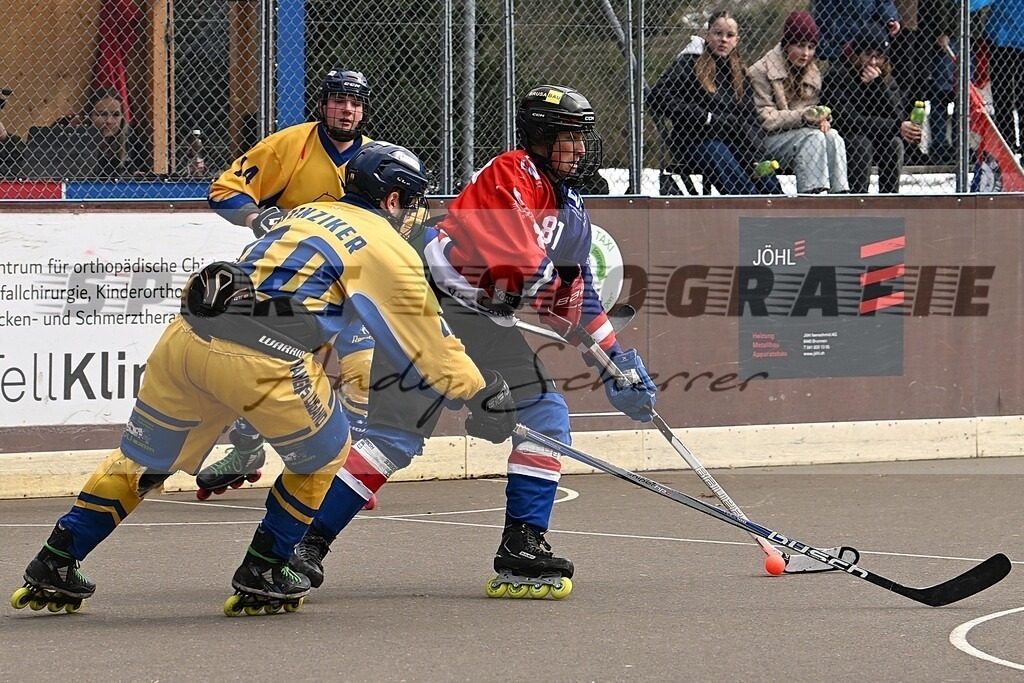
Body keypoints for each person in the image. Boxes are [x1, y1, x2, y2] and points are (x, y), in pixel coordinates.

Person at [10, 141, 516, 615]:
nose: (412, 213)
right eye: (410, 202)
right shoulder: (388, 244)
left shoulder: (304, 214)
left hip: (186, 339)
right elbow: (429, 342)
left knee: (142, 460)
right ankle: (266, 569)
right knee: (325, 458)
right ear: (391, 198)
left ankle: (54, 561)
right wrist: (480, 394)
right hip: (265, 357)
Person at [286, 85, 657, 598]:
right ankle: (304, 546)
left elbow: (575, 294)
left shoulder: (571, 209)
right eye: (568, 137)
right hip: (427, 301)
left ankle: (522, 544)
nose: (579, 149)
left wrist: (615, 362)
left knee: (545, 413)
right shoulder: (508, 173)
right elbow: (527, 262)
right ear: (540, 137)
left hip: (482, 319)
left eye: (580, 138)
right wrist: (558, 299)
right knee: (396, 437)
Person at [199, 69, 378, 495]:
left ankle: (342, 467)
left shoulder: (377, 159)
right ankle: (246, 450)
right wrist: (257, 215)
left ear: (364, 110)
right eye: (338, 100)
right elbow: (224, 189)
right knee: (268, 374)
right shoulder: (290, 145)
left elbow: (403, 216)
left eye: (354, 103)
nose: (346, 109)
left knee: (364, 371)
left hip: (353, 288)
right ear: (322, 104)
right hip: (295, 287)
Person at [647, 10, 783, 195]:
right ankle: (750, 206)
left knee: (765, 174)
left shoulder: (740, 74)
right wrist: (706, 117)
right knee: (718, 153)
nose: (723, 40)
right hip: (696, 141)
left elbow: (750, 120)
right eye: (718, 33)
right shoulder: (689, 63)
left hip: (733, 142)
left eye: (730, 35)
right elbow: (657, 96)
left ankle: (780, 210)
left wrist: (754, 156)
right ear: (707, 35)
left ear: (736, 40)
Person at [748, 12, 851, 194]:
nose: (806, 53)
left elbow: (810, 113)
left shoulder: (813, 73)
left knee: (833, 136)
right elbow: (766, 119)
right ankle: (811, 197)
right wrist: (805, 117)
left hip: (802, 136)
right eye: (800, 45)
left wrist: (820, 119)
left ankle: (840, 196)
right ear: (787, 45)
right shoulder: (760, 70)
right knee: (813, 138)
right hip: (767, 141)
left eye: (811, 47)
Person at [822, 25, 922, 192]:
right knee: (861, 144)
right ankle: (858, 198)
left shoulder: (885, 79)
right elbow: (848, 120)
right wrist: (895, 126)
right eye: (868, 55)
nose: (874, 62)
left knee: (895, 144)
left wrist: (877, 86)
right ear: (856, 55)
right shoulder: (839, 74)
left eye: (879, 57)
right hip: (847, 134)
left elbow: (897, 115)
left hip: (877, 133)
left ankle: (888, 199)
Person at [968, 0, 1024, 153]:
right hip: (1001, 40)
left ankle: (1008, 144)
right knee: (1003, 97)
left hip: (1004, 38)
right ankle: (1007, 145)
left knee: (1008, 97)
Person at [811, 0, 901, 62]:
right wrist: (824, 44)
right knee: (842, 75)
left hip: (868, 36)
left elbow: (884, 2)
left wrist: (890, 18)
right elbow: (824, 12)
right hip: (841, 38)